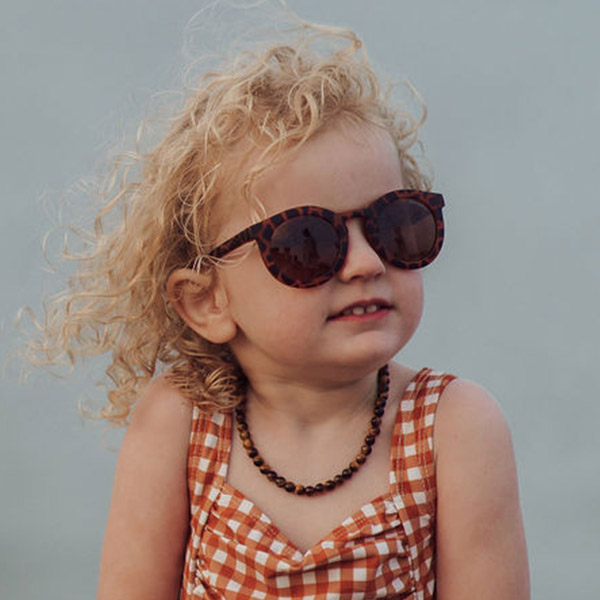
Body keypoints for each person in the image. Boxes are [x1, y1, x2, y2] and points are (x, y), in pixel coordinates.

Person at [28, 17, 529, 600]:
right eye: (307, 243)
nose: (366, 263)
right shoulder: (180, 424)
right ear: (207, 301)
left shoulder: (454, 428)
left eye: (394, 224)